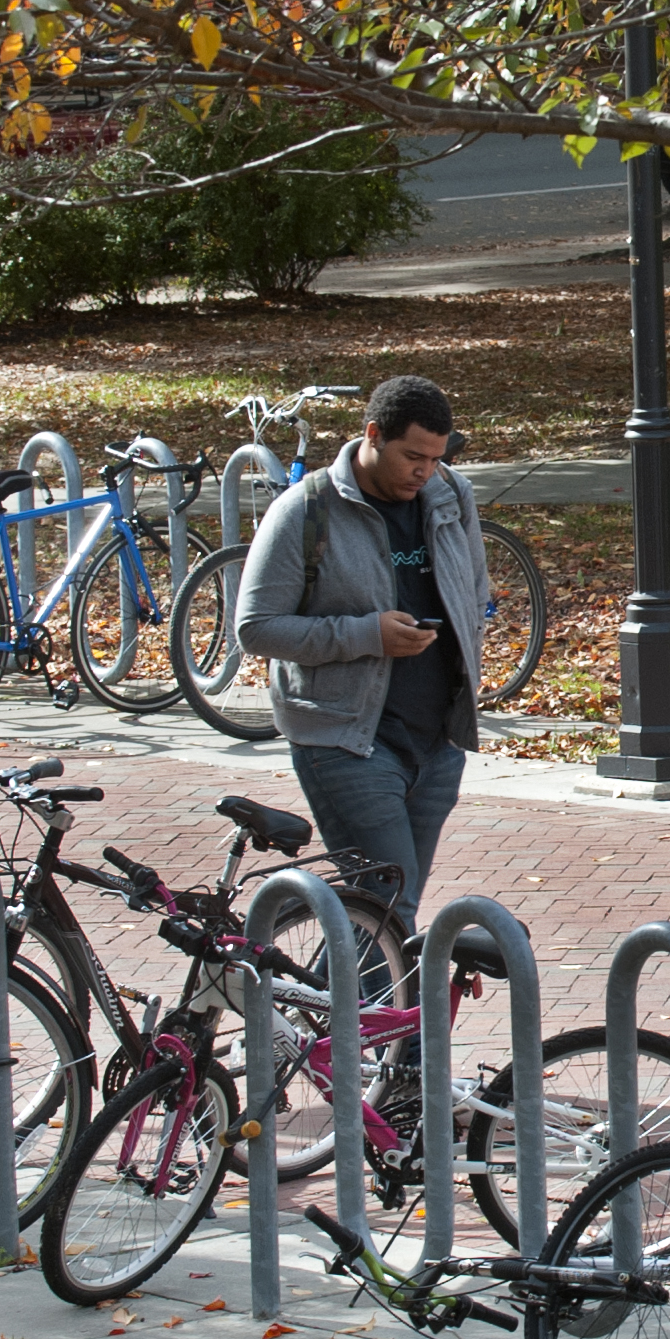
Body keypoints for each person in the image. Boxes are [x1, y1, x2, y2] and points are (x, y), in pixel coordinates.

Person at [231, 376, 491, 927]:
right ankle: (369, 1013)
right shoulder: (306, 509)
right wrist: (366, 635)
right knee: (387, 908)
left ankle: (308, 1007)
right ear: (372, 435)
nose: (425, 472)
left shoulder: (450, 494)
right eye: (412, 456)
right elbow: (256, 628)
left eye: (437, 459)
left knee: (384, 916)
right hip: (346, 741)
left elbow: (473, 593)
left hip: (436, 744)